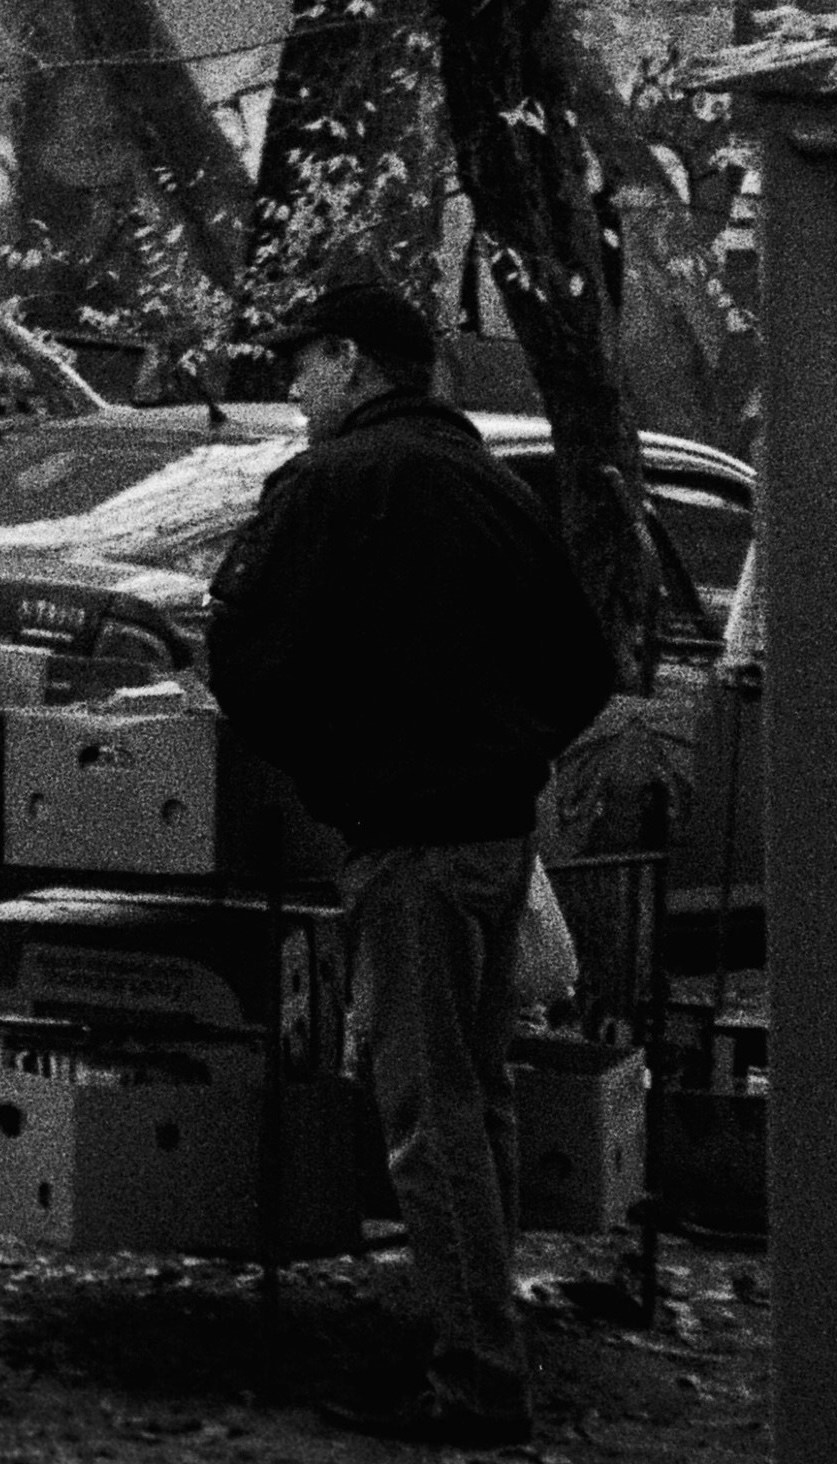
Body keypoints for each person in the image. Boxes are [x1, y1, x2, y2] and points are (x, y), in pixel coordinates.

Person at [207, 277, 616, 1453]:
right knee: (474, 1103)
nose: (293, 386)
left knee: (428, 1118)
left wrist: (343, 764)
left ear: (351, 360)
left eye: (302, 363)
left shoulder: (335, 484)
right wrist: (503, 746)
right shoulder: (494, 488)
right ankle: (480, 1336)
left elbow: (243, 647)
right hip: (495, 834)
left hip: (410, 843)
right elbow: (584, 664)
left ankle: (477, 1376)